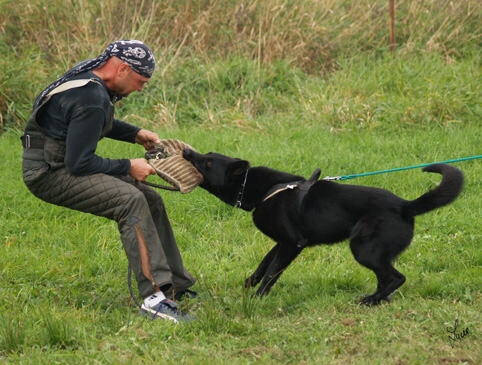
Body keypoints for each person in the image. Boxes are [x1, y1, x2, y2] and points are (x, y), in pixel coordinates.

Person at [21, 40, 197, 323]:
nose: (140, 89)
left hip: (57, 162)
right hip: (47, 173)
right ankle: (154, 299)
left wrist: (135, 133)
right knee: (130, 200)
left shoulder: (90, 77)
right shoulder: (92, 96)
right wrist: (129, 166)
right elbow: (78, 164)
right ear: (124, 68)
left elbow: (92, 121)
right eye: (141, 81)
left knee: (150, 198)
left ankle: (175, 285)